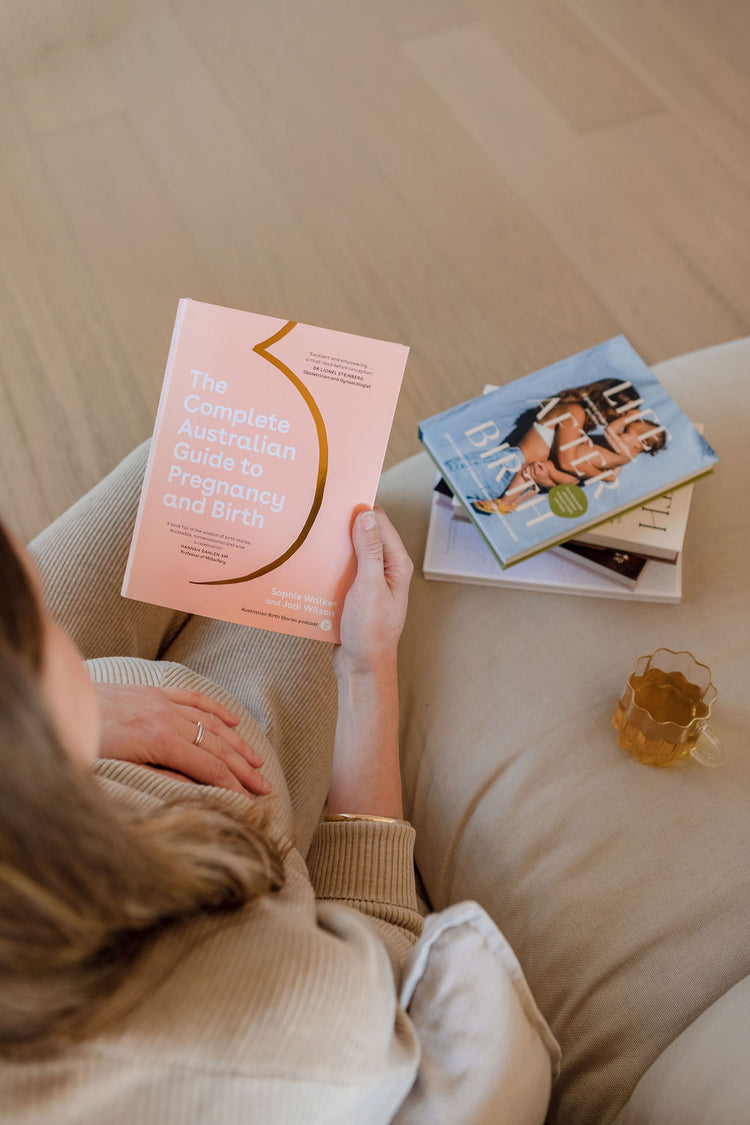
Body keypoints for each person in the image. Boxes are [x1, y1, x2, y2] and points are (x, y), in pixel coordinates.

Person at [0, 442, 423, 1122]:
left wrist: (64, 722)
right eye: (40, 613)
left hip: (53, 743)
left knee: (218, 457)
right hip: (227, 779)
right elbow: (393, 976)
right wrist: (369, 668)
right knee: (312, 506)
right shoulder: (252, 1007)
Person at [454, 378, 668, 516]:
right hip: (500, 467)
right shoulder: (575, 411)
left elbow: (571, 478)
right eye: (622, 415)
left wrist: (548, 477)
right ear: (610, 405)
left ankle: (505, 502)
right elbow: (568, 463)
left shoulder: (584, 431)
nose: (622, 424)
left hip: (511, 482)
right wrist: (606, 476)